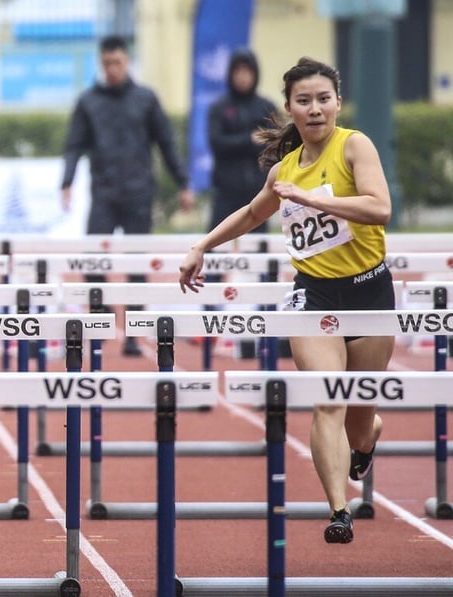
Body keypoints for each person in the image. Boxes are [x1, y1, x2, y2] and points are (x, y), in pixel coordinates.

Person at [179, 57, 392, 544]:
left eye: (323, 99)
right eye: (304, 101)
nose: (314, 109)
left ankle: (369, 433)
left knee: (358, 425)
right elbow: (253, 214)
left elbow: (379, 208)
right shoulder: (285, 170)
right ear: (290, 108)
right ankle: (340, 511)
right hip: (312, 295)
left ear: (337, 101)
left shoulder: (354, 145)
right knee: (327, 402)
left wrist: (315, 198)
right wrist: (200, 246)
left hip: (370, 293)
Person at [60, 35, 194, 357]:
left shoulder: (146, 98)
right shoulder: (88, 100)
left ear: (127, 62)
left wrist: (183, 184)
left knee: (136, 266)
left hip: (137, 192)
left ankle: (134, 334)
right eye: (107, 63)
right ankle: (99, 322)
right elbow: (74, 145)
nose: (113, 68)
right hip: (103, 193)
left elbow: (166, 143)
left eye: (118, 62)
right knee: (94, 260)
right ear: (101, 64)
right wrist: (66, 182)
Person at [206, 48, 278, 236]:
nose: (243, 77)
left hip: (259, 190)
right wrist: (249, 140)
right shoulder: (219, 107)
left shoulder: (266, 107)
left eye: (247, 71)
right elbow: (217, 142)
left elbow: (275, 144)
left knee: (258, 245)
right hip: (226, 189)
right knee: (215, 241)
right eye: (238, 71)